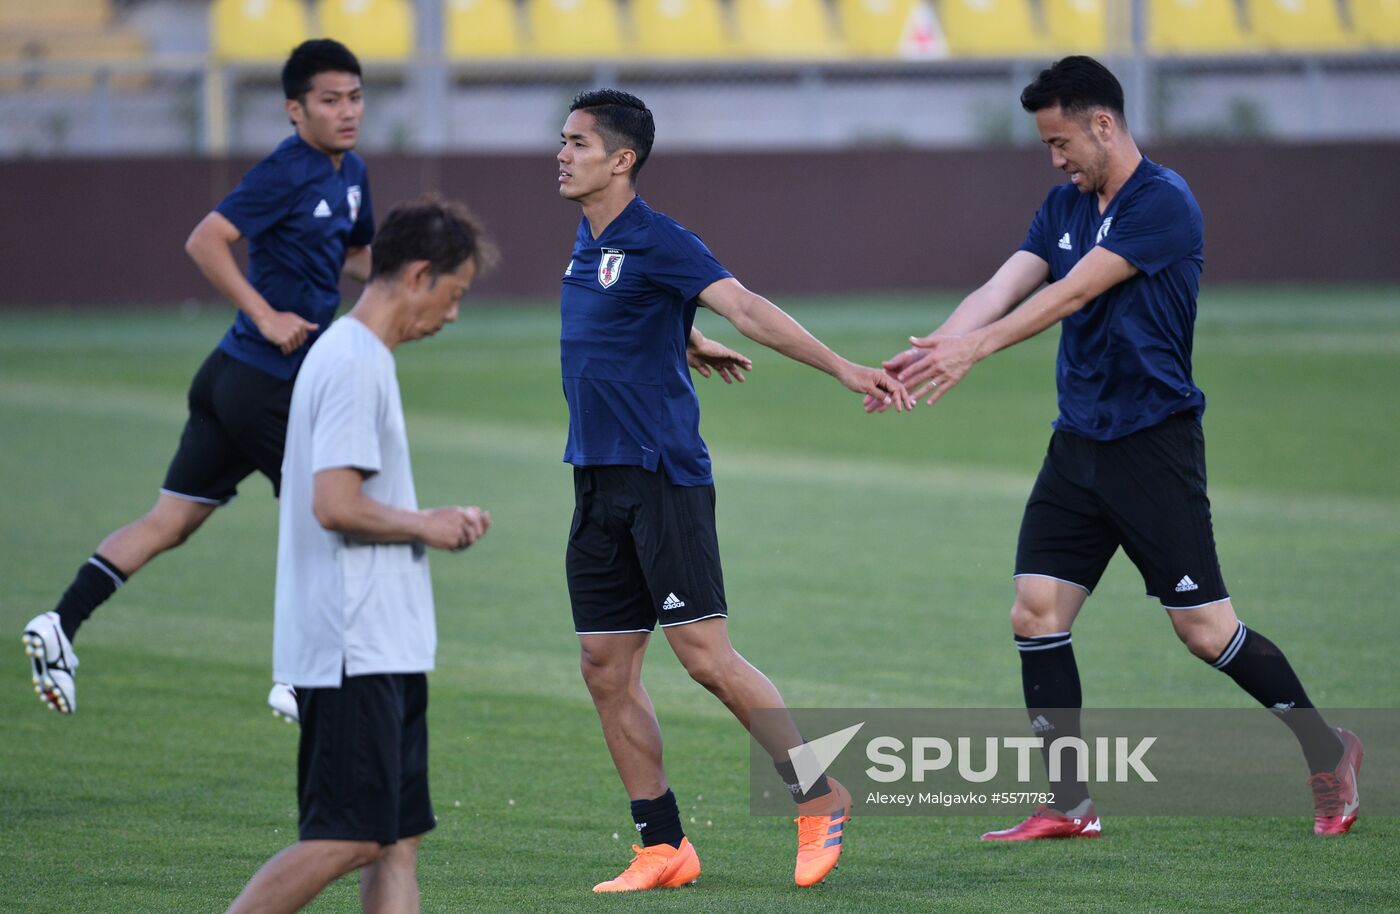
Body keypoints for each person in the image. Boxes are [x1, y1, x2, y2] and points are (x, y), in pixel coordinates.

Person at [871, 56, 1362, 839]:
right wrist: (935, 347)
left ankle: (1328, 747)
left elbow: (1071, 293)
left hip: (1152, 447)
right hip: (1080, 446)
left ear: (1103, 124)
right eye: (1046, 146)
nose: (1056, 158)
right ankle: (1070, 806)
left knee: (1203, 632)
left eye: (1061, 140)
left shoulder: (1163, 205)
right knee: (1035, 615)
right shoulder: (1062, 204)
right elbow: (1003, 286)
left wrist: (977, 353)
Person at [556, 88, 912, 892]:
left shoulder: (659, 237)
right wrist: (685, 337)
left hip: (661, 475)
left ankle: (821, 795)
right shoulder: (590, 237)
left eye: (578, 143)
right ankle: (663, 847)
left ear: (622, 160)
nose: (562, 153)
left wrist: (845, 368)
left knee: (706, 659)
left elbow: (747, 307)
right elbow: (625, 312)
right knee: (605, 667)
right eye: (563, 140)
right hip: (595, 476)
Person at [22, 39, 374, 720]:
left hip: (230, 379)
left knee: (172, 520)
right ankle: (296, 678)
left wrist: (412, 272)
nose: (347, 110)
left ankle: (60, 622)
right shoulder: (285, 170)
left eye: (355, 96)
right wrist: (268, 314)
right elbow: (205, 239)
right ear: (295, 110)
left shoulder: (352, 170)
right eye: (330, 99)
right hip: (266, 383)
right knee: (329, 519)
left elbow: (356, 256)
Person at [223, 196, 495, 914]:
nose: (454, 313)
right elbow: (334, 504)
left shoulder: (362, 357)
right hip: (352, 645)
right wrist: (428, 523)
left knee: (396, 836)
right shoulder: (351, 363)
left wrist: (428, 521)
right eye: (454, 293)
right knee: (347, 837)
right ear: (416, 275)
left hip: (386, 644)